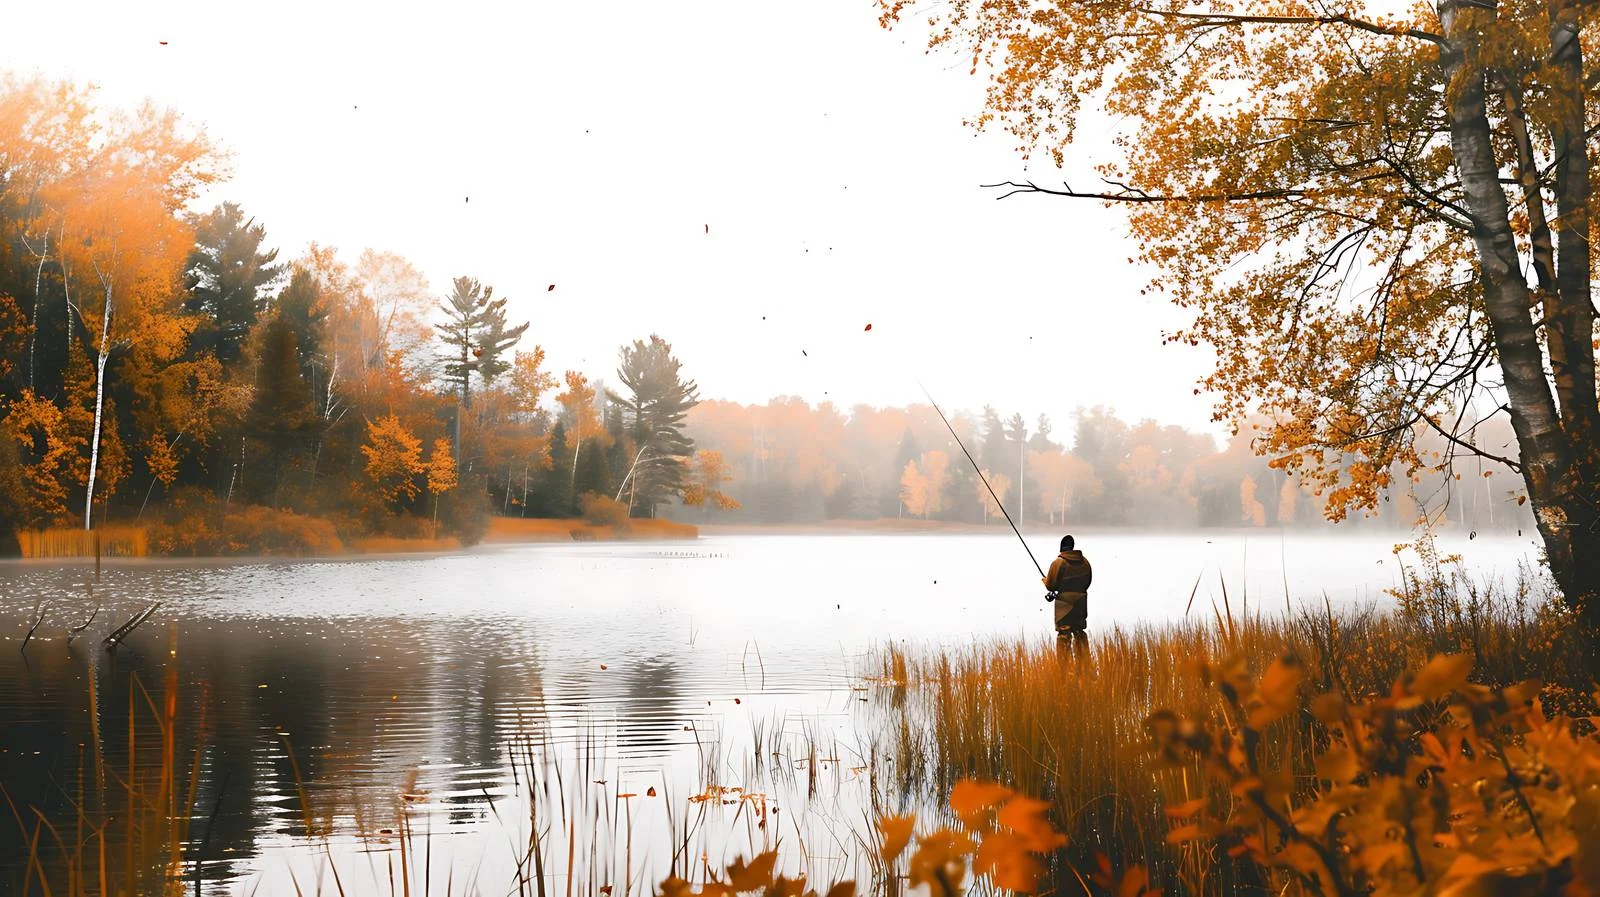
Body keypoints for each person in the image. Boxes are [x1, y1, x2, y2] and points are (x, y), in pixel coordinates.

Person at [1044, 534, 1092, 662]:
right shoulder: (1085, 562)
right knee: (1079, 632)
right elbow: (1088, 581)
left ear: (1062, 548)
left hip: (1064, 604)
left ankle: (1063, 667)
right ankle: (1084, 664)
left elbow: (1050, 585)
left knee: (1064, 634)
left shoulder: (1058, 563)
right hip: (1081, 601)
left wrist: (1045, 580)